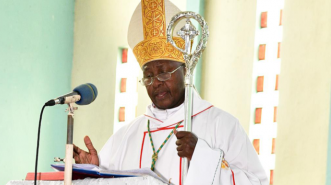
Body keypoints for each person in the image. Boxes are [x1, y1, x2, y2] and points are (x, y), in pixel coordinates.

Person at [73, 0, 268, 184]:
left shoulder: (222, 126)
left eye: (164, 73)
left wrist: (201, 157)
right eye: (148, 76)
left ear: (185, 71)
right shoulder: (125, 136)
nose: (156, 83)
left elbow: (256, 182)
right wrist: (93, 170)